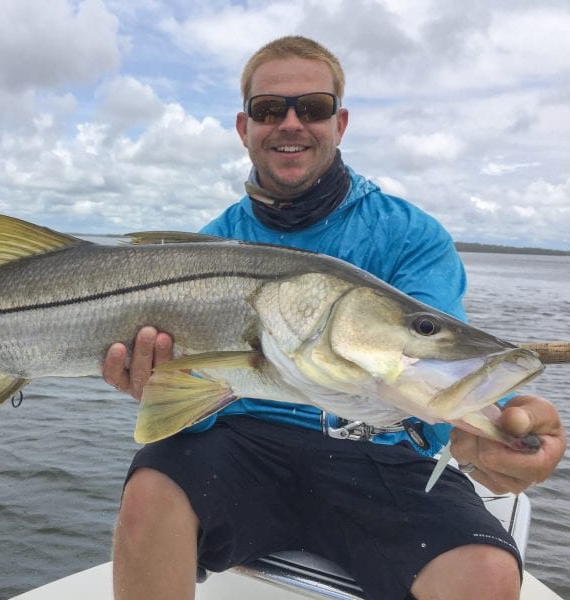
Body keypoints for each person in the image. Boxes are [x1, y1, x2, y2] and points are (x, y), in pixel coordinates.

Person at [102, 36, 566, 600]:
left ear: (339, 123)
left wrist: (480, 431)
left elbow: (425, 361)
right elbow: (196, 401)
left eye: (312, 108)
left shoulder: (410, 235)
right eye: (269, 109)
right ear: (244, 127)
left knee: (485, 574)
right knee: (150, 492)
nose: (290, 123)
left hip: (380, 455)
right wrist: (158, 387)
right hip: (247, 443)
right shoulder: (211, 248)